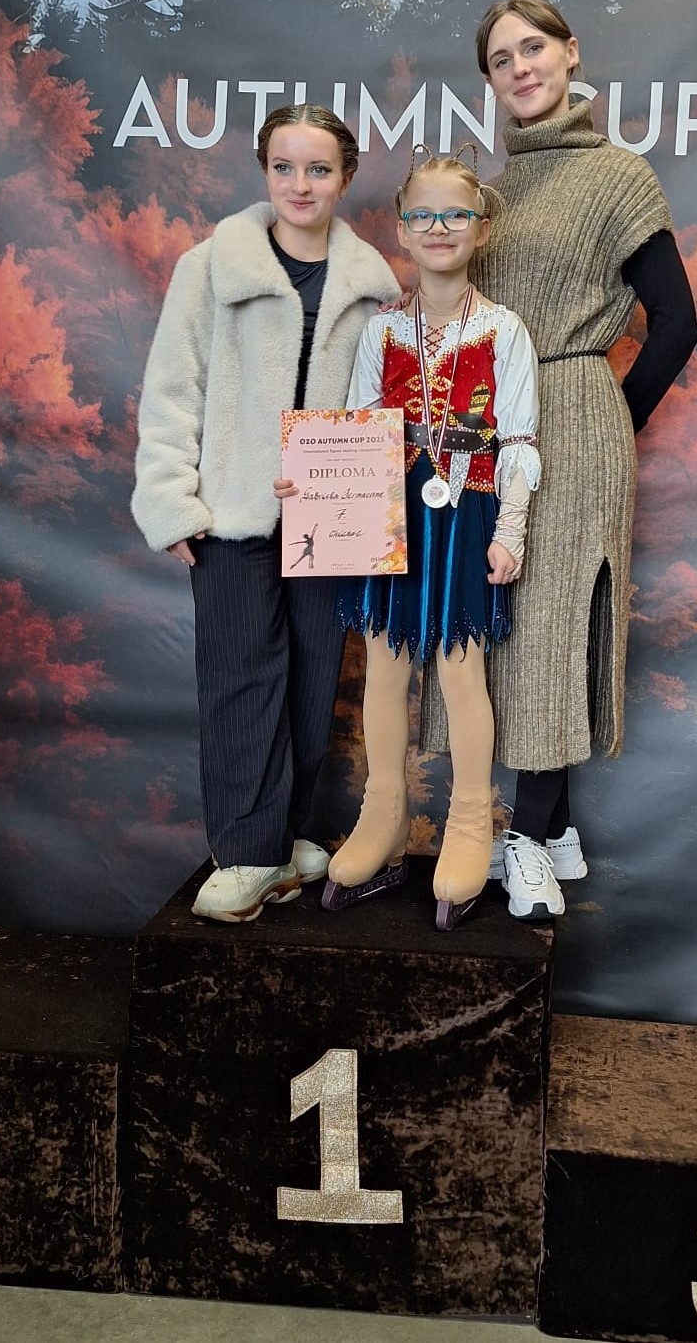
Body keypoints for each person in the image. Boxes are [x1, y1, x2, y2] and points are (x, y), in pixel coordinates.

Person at [417, 0, 697, 921]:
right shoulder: (492, 192)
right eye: (501, 59)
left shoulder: (618, 176)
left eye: (533, 47)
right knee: (508, 618)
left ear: (571, 53)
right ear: (490, 81)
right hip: (489, 419)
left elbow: (676, 323)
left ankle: (527, 840)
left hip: (572, 415)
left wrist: (608, 417)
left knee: (549, 621)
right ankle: (562, 828)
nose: (521, 68)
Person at [131, 104, 400, 923]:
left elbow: (382, 410)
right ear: (265, 171)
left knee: (314, 680)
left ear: (345, 178)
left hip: (331, 519)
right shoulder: (210, 267)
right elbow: (173, 390)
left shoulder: (376, 289)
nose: (299, 184)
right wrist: (173, 499)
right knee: (241, 678)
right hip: (231, 513)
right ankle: (246, 854)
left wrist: (358, 488)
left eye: (318, 169)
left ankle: (282, 841)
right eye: (284, 167)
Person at [288, 145, 541, 930]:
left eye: (455, 214)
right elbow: (359, 431)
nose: (439, 227)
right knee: (385, 670)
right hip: (390, 515)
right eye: (423, 215)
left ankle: (468, 822)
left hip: (465, 516)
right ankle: (383, 815)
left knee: (463, 673)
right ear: (401, 228)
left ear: (481, 228)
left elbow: (519, 441)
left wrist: (510, 530)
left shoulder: (503, 331)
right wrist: (315, 491)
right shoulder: (383, 330)